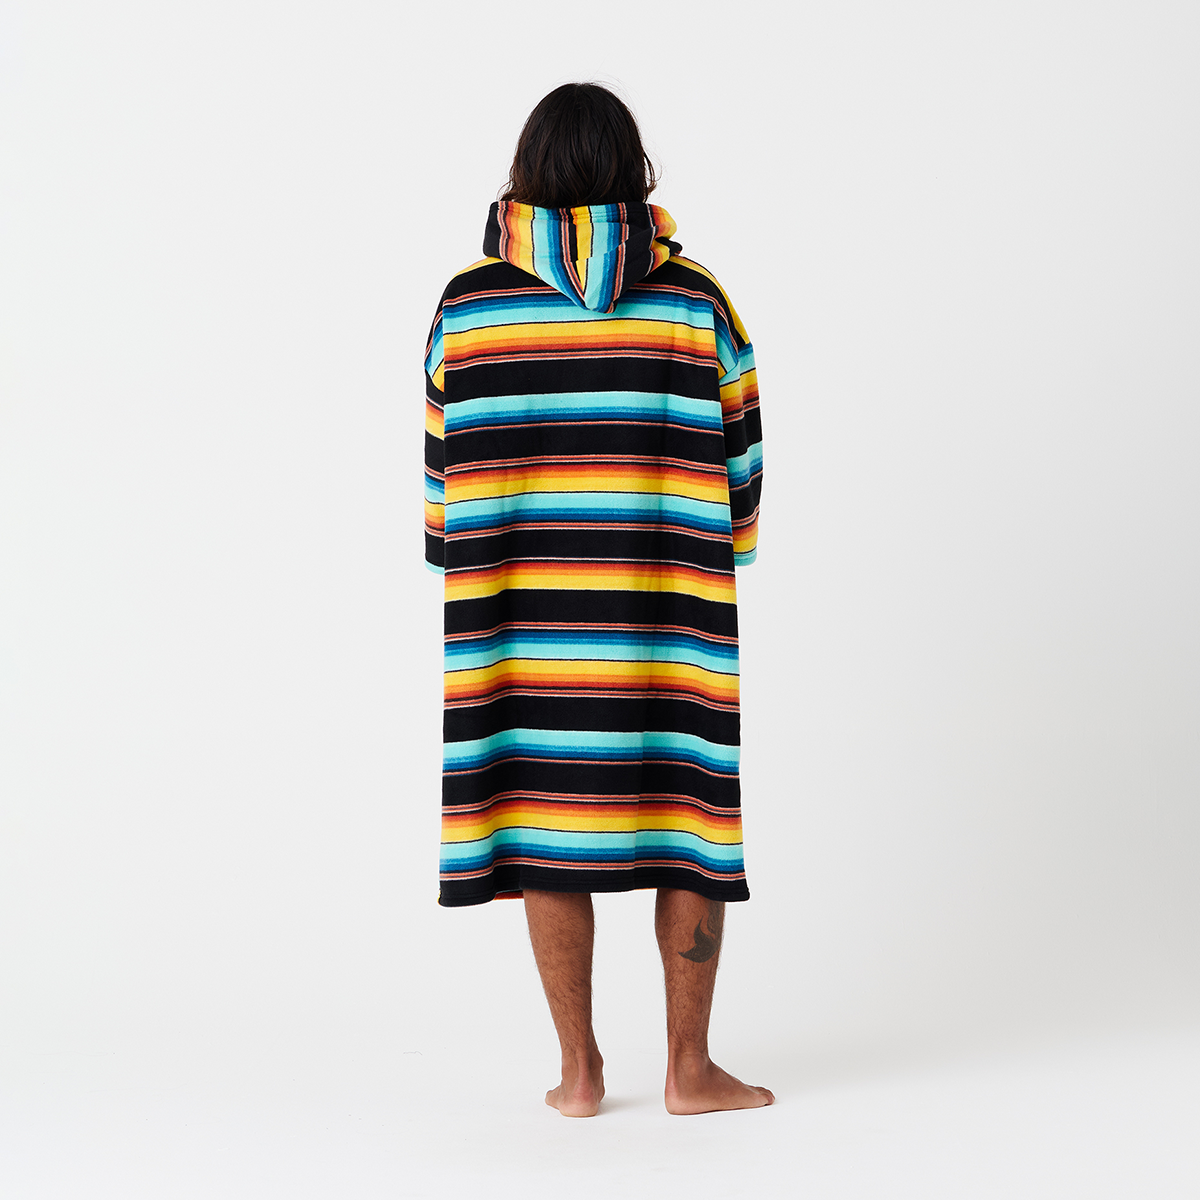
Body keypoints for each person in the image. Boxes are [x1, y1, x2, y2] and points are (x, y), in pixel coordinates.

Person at [423, 82, 770, 1117]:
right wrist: (717, 544)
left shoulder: (467, 308)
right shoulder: (696, 302)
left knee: (545, 822)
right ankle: (689, 1071)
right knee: (691, 820)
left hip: (521, 626)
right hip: (671, 618)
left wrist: (474, 554)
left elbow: (442, 489)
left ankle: (580, 1075)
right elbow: (743, 471)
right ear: (635, 172)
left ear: (524, 173)